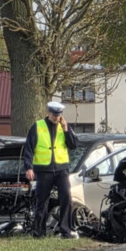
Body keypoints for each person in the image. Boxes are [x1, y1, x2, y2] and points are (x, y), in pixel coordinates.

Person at [22, 101, 79, 238]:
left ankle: (65, 230)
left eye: (59, 115)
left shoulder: (64, 126)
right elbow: (28, 148)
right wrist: (29, 168)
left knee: (66, 197)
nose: (56, 117)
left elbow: (74, 145)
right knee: (42, 201)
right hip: (44, 170)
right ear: (48, 113)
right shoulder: (38, 126)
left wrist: (66, 129)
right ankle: (39, 232)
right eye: (54, 114)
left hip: (61, 169)